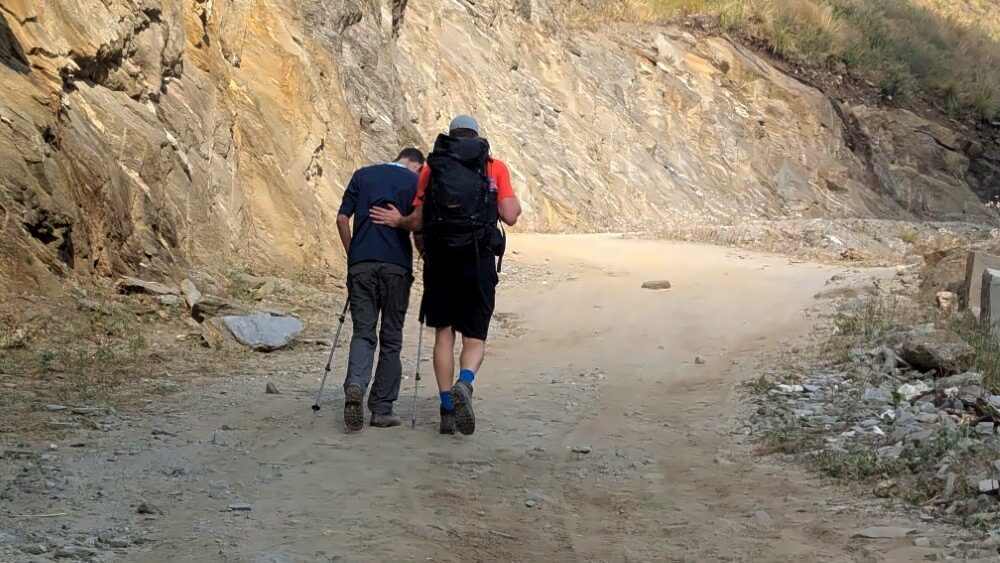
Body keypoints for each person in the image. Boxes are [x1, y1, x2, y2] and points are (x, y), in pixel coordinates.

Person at [370, 115, 521, 436]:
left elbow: (417, 221)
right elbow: (510, 216)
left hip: (440, 261)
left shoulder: (431, 168)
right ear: (477, 136)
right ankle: (464, 384)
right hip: (478, 258)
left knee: (444, 336)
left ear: (450, 137)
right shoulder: (495, 166)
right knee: (475, 337)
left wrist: (399, 223)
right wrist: (508, 202)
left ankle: (446, 409)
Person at [336, 148, 425, 431]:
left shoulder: (362, 175)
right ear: (418, 165)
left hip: (361, 265)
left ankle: (355, 386)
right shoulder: (415, 183)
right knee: (391, 337)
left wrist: (354, 255)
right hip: (396, 267)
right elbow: (419, 226)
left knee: (363, 332)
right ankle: (382, 409)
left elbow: (341, 219)